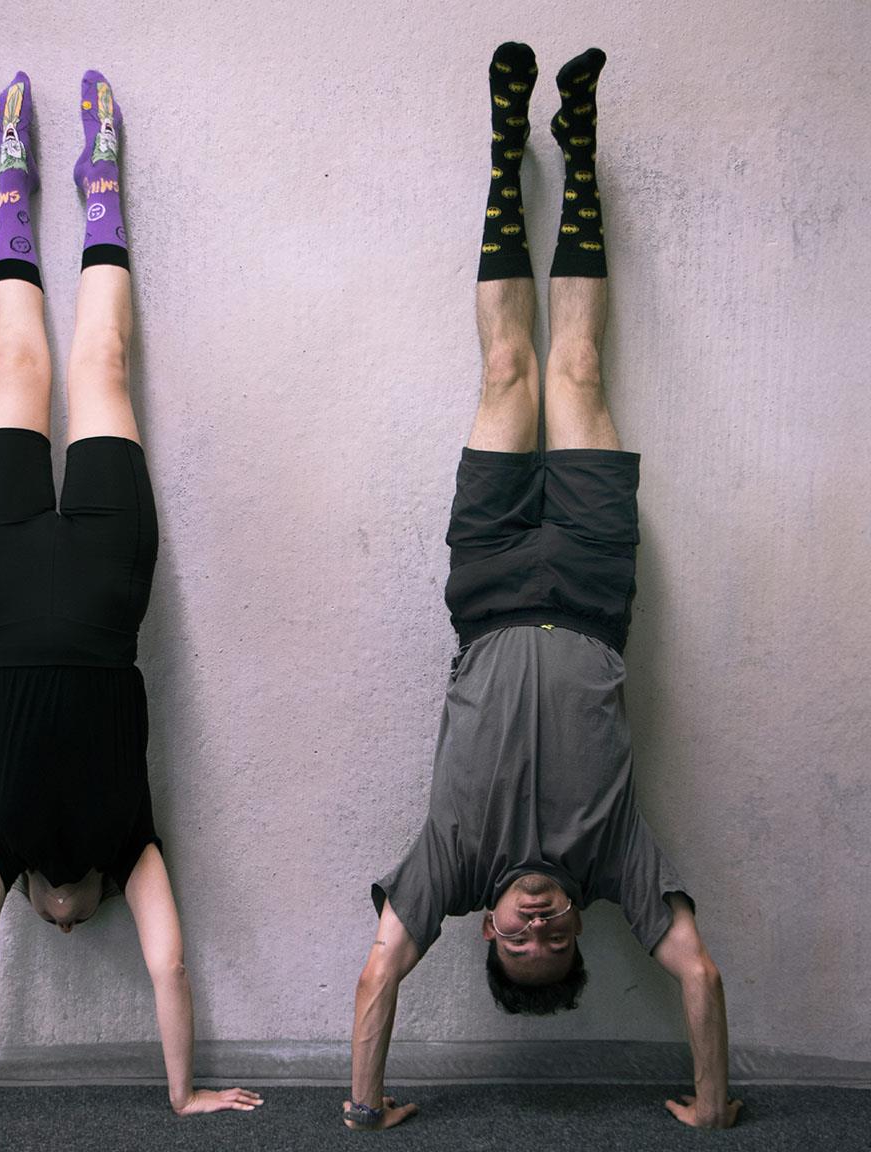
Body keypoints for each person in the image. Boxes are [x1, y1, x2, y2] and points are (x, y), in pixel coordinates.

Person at [343, 44, 741, 1132]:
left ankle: (503, 152)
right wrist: (712, 1105)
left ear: (484, 928)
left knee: (507, 370)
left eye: (521, 940)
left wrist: (364, 1106)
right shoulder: (617, 865)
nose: (540, 927)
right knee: (576, 370)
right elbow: (699, 974)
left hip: (488, 583)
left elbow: (378, 973)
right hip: (595, 583)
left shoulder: (449, 867)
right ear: (577, 926)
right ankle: (581, 147)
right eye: (555, 940)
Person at [0, 71, 261, 1127]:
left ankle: (15, 182)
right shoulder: (123, 845)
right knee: (94, 365)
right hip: (93, 581)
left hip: (14, 584)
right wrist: (181, 1095)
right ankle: (98, 190)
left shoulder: (4, 843)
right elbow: (165, 964)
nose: (65, 923)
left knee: (29, 361)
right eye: (72, 922)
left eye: (50, 924)